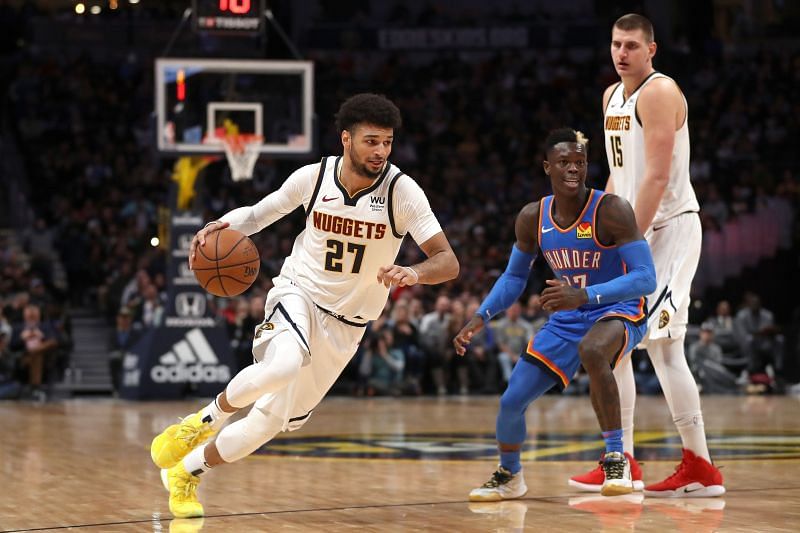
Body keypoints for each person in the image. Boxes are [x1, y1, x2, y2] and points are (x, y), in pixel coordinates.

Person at [150, 93, 459, 518]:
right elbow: (260, 215)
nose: (381, 151)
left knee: (268, 423)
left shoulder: (402, 192)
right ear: (345, 138)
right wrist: (221, 225)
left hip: (349, 325)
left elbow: (448, 261)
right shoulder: (314, 178)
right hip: (299, 293)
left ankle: (186, 471)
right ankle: (202, 421)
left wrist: (415, 273)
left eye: (387, 142)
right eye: (371, 141)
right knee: (283, 365)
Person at [569, 14, 725, 497]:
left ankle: (699, 466)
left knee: (660, 347)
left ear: (651, 50)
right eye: (616, 44)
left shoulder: (659, 92)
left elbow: (656, 176)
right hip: (636, 233)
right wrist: (600, 227)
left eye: (632, 46)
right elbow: (621, 174)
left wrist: (630, 238)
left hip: (669, 232)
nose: (621, 53)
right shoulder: (611, 96)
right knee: (613, 345)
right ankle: (624, 460)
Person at [454, 128, 656, 501]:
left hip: (619, 310)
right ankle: (510, 474)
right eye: (564, 162)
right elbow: (515, 277)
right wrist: (481, 316)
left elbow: (646, 278)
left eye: (579, 162)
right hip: (567, 317)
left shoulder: (611, 210)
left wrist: (585, 294)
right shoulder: (534, 217)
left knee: (594, 351)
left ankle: (616, 456)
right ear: (548, 166)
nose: (573, 169)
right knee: (511, 401)